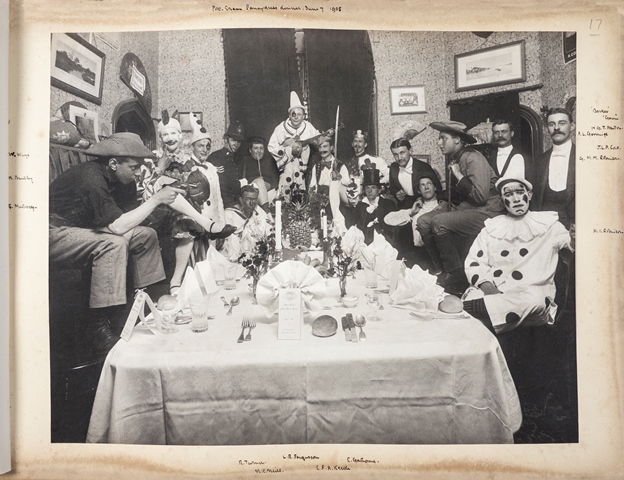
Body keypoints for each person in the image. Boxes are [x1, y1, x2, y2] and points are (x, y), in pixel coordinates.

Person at [49, 133, 214, 354]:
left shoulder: (122, 180)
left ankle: (149, 306)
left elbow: (129, 222)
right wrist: (156, 199)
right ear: (113, 163)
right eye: (134, 167)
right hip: (51, 231)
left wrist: (165, 204)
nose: (138, 173)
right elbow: (117, 228)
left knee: (145, 235)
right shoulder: (90, 178)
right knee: (112, 244)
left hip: (85, 229)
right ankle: (99, 328)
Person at [462, 176, 574, 334]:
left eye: (520, 192)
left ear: (529, 195)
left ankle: (468, 310)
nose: (515, 199)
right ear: (501, 201)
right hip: (494, 290)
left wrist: (575, 238)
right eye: (508, 194)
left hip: (531, 294)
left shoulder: (549, 225)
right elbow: (475, 263)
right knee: (473, 298)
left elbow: (570, 244)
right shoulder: (490, 229)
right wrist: (489, 289)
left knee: (533, 300)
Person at [417, 121, 505, 294]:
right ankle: (441, 270)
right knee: (423, 221)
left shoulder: (473, 157)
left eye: (443, 138)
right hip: (468, 208)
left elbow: (480, 197)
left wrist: (457, 174)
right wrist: (443, 204)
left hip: (488, 211)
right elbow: (458, 196)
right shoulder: (456, 158)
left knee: (439, 222)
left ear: (457, 140)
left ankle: (455, 275)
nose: (439, 143)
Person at [268, 91, 330, 194]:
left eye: (299, 114)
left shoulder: (308, 127)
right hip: (287, 166)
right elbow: (271, 146)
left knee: (300, 191)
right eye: (293, 114)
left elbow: (318, 138)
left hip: (301, 168)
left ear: (303, 116)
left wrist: (325, 136)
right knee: (285, 190)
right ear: (289, 115)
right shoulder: (281, 128)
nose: (296, 117)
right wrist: (287, 149)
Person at [532, 107, 575, 229]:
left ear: (572, 126)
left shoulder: (585, 157)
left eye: (562, 123)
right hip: (546, 231)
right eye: (552, 124)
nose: (556, 128)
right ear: (547, 129)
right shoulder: (538, 161)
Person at [221, 185, 272, 259]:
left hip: (255, 254)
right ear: (241, 200)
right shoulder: (229, 214)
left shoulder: (257, 210)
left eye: (254, 199)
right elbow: (226, 242)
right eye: (248, 199)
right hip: (234, 256)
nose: (252, 203)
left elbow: (268, 228)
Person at [208, 120, 247, 209]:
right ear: (226, 140)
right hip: (223, 205)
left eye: (239, 141)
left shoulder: (239, 159)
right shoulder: (215, 157)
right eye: (233, 140)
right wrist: (240, 184)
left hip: (238, 202)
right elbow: (221, 187)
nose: (236, 144)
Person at [238, 136, 280, 213]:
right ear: (250, 150)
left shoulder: (269, 162)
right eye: (256, 148)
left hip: (269, 193)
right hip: (251, 194)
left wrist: (268, 186)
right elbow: (241, 181)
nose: (259, 151)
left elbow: (276, 180)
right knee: (260, 182)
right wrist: (260, 184)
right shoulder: (244, 162)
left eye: (261, 148)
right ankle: (267, 213)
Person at [354, 169, 395, 245]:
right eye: (367, 188)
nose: (369, 191)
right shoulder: (360, 206)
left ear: (379, 190)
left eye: (373, 187)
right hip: (363, 242)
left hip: (383, 242)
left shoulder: (387, 204)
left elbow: (391, 227)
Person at [486, 119, 533, 183]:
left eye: (504, 131)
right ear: (493, 135)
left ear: (512, 133)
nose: (500, 135)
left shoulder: (525, 158)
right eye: (496, 132)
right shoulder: (488, 159)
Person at [407, 173, 448, 248]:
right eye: (422, 185)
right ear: (419, 191)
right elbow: (388, 219)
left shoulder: (442, 206)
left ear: (435, 187)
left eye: (429, 184)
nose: (426, 187)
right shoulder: (416, 209)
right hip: (418, 253)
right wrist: (410, 212)